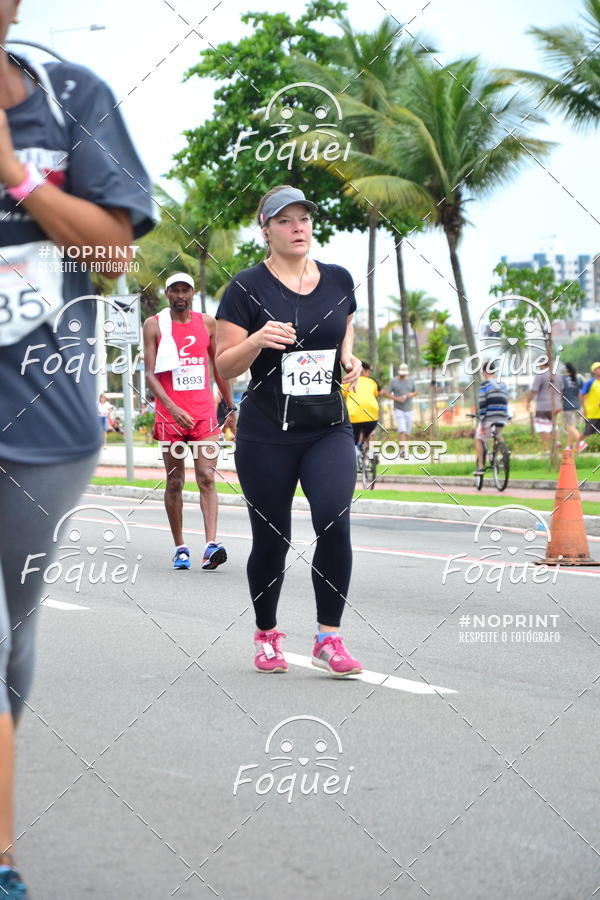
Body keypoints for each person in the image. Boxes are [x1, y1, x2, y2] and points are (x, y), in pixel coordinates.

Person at [0, 6, 153, 895]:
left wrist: (18, 176)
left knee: (13, 639)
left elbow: (113, 257)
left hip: (48, 429)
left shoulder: (71, 99)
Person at [215, 184, 363, 677]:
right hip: (265, 432)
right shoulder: (244, 289)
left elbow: (344, 326)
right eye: (285, 220)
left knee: (333, 519)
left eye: (303, 218)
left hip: (327, 426)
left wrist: (348, 357)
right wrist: (258, 339)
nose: (298, 227)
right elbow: (225, 364)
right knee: (272, 540)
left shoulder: (339, 279)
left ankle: (329, 637)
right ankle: (267, 634)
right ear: (266, 229)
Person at [143, 273, 236, 571]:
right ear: (167, 293)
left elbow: (219, 367)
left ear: (193, 293)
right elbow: (149, 374)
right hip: (170, 416)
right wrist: (170, 407)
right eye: (174, 290)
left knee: (207, 477)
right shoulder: (154, 325)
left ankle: (211, 546)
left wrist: (230, 406)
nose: (180, 295)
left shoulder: (207, 323)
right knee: (175, 481)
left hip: (203, 414)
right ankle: (180, 547)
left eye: (185, 290)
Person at [473, 360, 509, 475]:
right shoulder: (503, 384)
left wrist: (482, 421)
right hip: (503, 416)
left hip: (490, 417)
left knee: (479, 438)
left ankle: (480, 466)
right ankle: (505, 452)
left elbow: (482, 404)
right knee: (497, 434)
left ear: (484, 372)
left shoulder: (485, 384)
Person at [342, 361, 380, 458]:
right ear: (363, 370)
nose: (370, 374)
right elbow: (376, 395)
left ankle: (356, 451)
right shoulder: (372, 382)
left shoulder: (348, 381)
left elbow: (342, 395)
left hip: (353, 416)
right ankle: (371, 451)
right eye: (369, 372)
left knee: (353, 437)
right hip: (372, 416)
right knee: (368, 433)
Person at [526, 360, 563, 453]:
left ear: (543, 364)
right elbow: (562, 390)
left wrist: (528, 401)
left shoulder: (540, 375)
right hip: (556, 405)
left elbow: (534, 391)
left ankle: (546, 448)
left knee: (543, 427)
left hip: (543, 406)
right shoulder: (557, 375)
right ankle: (556, 442)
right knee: (553, 424)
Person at [383, 363, 417, 450]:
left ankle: (405, 447)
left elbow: (416, 392)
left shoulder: (411, 380)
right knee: (402, 429)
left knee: (407, 431)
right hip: (398, 409)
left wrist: (410, 395)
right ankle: (402, 450)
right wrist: (397, 399)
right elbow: (387, 393)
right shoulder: (393, 381)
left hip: (409, 409)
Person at [561, 362, 586, 452]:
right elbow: (584, 391)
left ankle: (581, 442)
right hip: (578, 406)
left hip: (567, 406)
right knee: (572, 427)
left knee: (569, 426)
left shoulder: (562, 378)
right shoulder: (579, 377)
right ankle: (568, 446)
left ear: (566, 369)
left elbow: (560, 392)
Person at [579, 361, 600, 443]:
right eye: (598, 368)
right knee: (587, 433)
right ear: (593, 371)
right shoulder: (590, 382)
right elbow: (581, 395)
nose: (599, 370)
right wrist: (584, 408)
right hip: (592, 413)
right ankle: (575, 446)